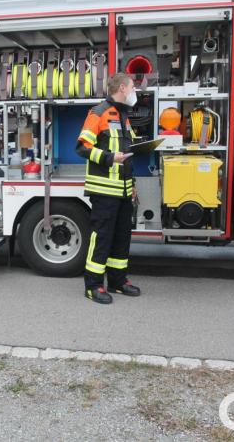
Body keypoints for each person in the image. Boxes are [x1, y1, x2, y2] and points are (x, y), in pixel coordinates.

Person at [75, 72, 141, 304]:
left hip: (123, 190)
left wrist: (132, 184)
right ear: (122, 88)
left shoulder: (124, 116)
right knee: (101, 238)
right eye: (132, 87)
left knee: (122, 237)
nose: (134, 92)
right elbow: (82, 147)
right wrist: (110, 158)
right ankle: (93, 286)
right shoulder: (99, 112)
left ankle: (117, 281)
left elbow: (128, 155)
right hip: (104, 191)